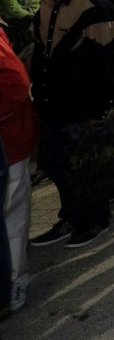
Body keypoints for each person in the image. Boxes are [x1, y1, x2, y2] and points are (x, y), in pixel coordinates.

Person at [26, 0, 114, 247]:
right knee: (56, 162)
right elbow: (41, 49)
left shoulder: (95, 8)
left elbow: (107, 63)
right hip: (51, 103)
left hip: (83, 106)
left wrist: (101, 109)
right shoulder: (48, 3)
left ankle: (95, 219)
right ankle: (71, 215)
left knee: (86, 166)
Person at [0, 29, 35, 311]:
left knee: (12, 211)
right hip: (10, 138)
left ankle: (15, 281)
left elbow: (15, 84)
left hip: (9, 141)